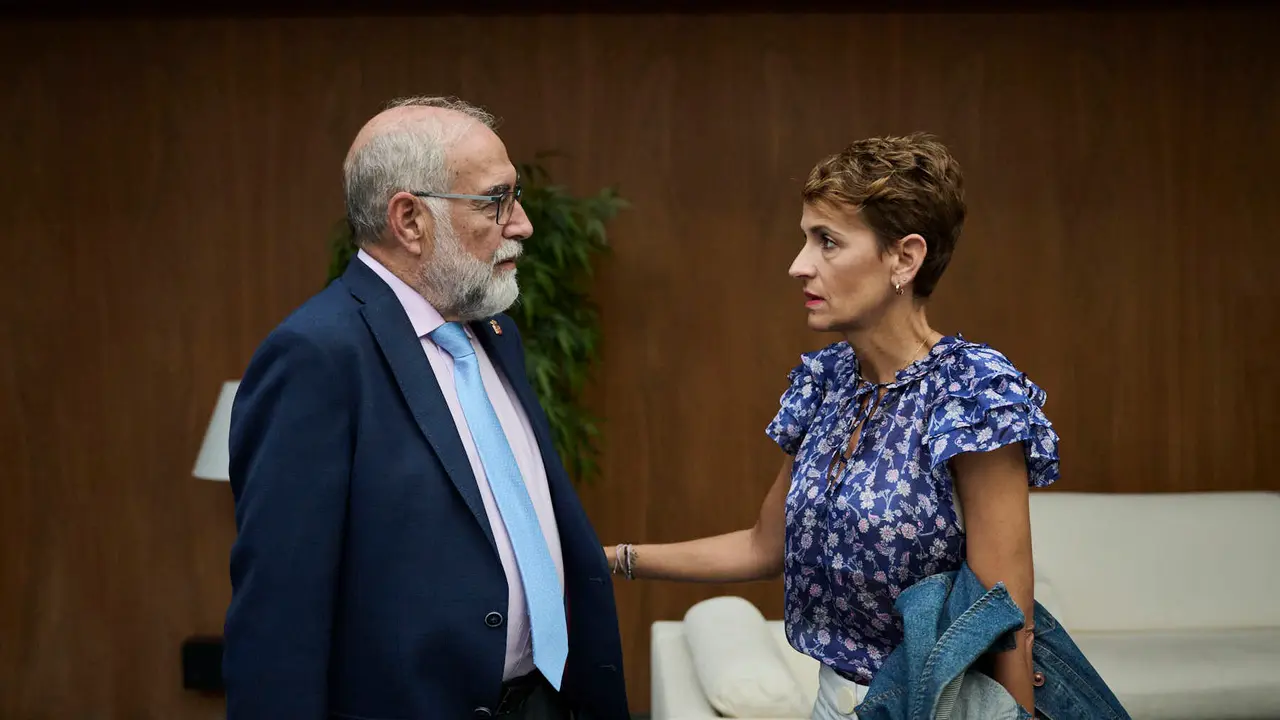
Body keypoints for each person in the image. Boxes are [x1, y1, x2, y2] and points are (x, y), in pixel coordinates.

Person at [605, 134, 1059, 718]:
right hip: (830, 702)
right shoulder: (828, 382)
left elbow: (1005, 616)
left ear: (904, 257)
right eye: (805, 238)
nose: (799, 265)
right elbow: (763, 545)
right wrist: (613, 559)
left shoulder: (972, 391)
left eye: (828, 241)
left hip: (927, 706)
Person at [224, 96, 629, 720]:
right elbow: (279, 617)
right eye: (496, 200)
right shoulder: (317, 357)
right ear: (409, 220)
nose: (520, 223)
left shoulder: (493, 334)